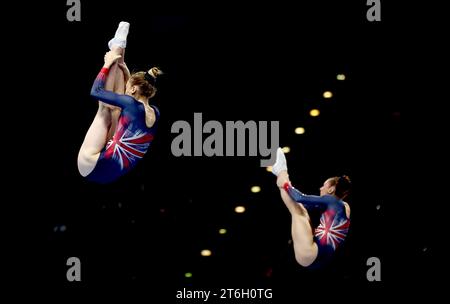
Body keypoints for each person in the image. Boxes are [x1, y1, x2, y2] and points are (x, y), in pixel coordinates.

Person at [77, 22, 162, 184]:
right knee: (114, 110)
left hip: (88, 164)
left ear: (132, 90)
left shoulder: (137, 106)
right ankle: (118, 46)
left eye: (128, 86)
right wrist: (126, 72)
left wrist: (108, 63)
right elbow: (129, 98)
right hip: (107, 173)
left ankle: (117, 48)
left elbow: (96, 91)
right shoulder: (154, 113)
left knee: (104, 110)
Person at [272, 148, 352, 268]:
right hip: (318, 259)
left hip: (310, 252)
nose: (320, 188)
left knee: (298, 212)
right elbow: (305, 204)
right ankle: (280, 172)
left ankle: (281, 171)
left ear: (331, 189)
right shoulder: (342, 207)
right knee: (299, 209)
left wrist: (285, 184)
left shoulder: (331, 200)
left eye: (323, 186)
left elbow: (299, 198)